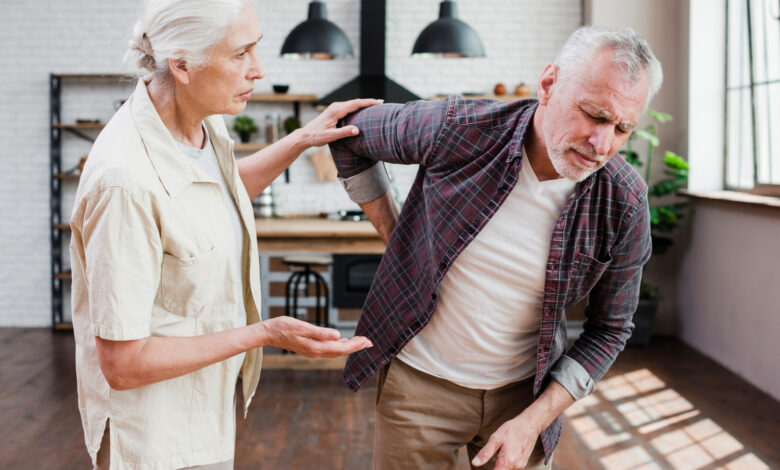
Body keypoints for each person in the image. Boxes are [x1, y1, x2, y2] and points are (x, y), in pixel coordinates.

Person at [329, 26, 663, 470]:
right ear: (548, 85)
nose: (603, 145)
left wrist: (532, 422)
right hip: (418, 388)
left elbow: (611, 329)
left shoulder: (625, 200)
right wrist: (396, 238)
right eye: (594, 115)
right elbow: (347, 132)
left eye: (623, 128)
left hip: (524, 398)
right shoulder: (459, 128)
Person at [69, 1, 378, 468]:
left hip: (205, 414)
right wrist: (265, 333)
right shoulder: (124, 184)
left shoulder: (200, 123)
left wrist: (299, 139)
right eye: (241, 54)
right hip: (155, 439)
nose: (257, 70)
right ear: (182, 65)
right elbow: (123, 364)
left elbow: (220, 190)